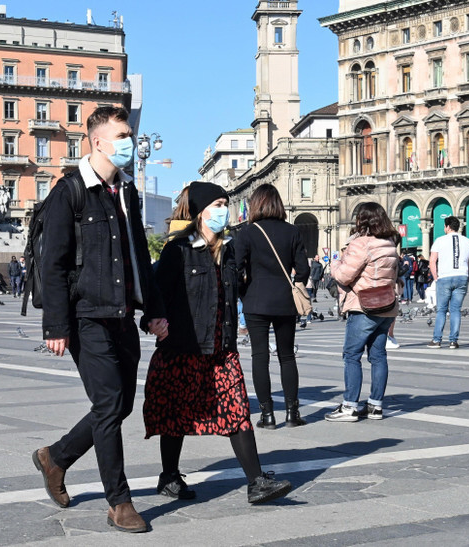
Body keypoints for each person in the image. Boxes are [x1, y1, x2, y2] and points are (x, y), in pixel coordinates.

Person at [33, 106, 167, 534]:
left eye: (130, 134)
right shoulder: (69, 192)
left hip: (122, 314)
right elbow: (52, 264)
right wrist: (56, 325)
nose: (129, 141)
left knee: (121, 404)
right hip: (85, 315)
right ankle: (119, 501)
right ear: (98, 142)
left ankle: (56, 457)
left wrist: (154, 310)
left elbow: (137, 256)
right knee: (108, 404)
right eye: (123, 135)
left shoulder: (126, 192)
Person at [144, 181, 292, 505]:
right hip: (183, 349)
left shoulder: (229, 252)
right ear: (200, 212)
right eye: (218, 205)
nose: (225, 211)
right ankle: (169, 475)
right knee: (176, 416)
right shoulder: (178, 250)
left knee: (237, 410)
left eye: (226, 204)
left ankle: (256, 481)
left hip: (221, 352)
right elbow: (153, 291)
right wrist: (152, 319)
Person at [235, 183, 310, 428]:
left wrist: (244, 292)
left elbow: (235, 268)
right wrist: (296, 285)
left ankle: (267, 415)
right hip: (285, 301)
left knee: (260, 356)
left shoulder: (247, 232)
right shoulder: (293, 231)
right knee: (287, 356)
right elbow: (303, 268)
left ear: (255, 205)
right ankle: (292, 413)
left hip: (255, 300)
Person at [324, 202, 400, 421]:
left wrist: (335, 264)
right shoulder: (389, 244)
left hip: (363, 306)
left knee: (351, 355)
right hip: (386, 306)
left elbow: (344, 276)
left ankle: (349, 406)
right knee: (378, 356)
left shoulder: (361, 244)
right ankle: (376, 406)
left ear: (362, 220)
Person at [427, 216, 469, 349]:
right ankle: (453, 341)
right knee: (456, 310)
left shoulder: (439, 240)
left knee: (442, 310)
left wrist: (435, 277)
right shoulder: (468, 241)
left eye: (444, 226)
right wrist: (468, 275)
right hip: (461, 276)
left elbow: (432, 261)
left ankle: (437, 340)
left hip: (444, 277)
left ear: (448, 227)